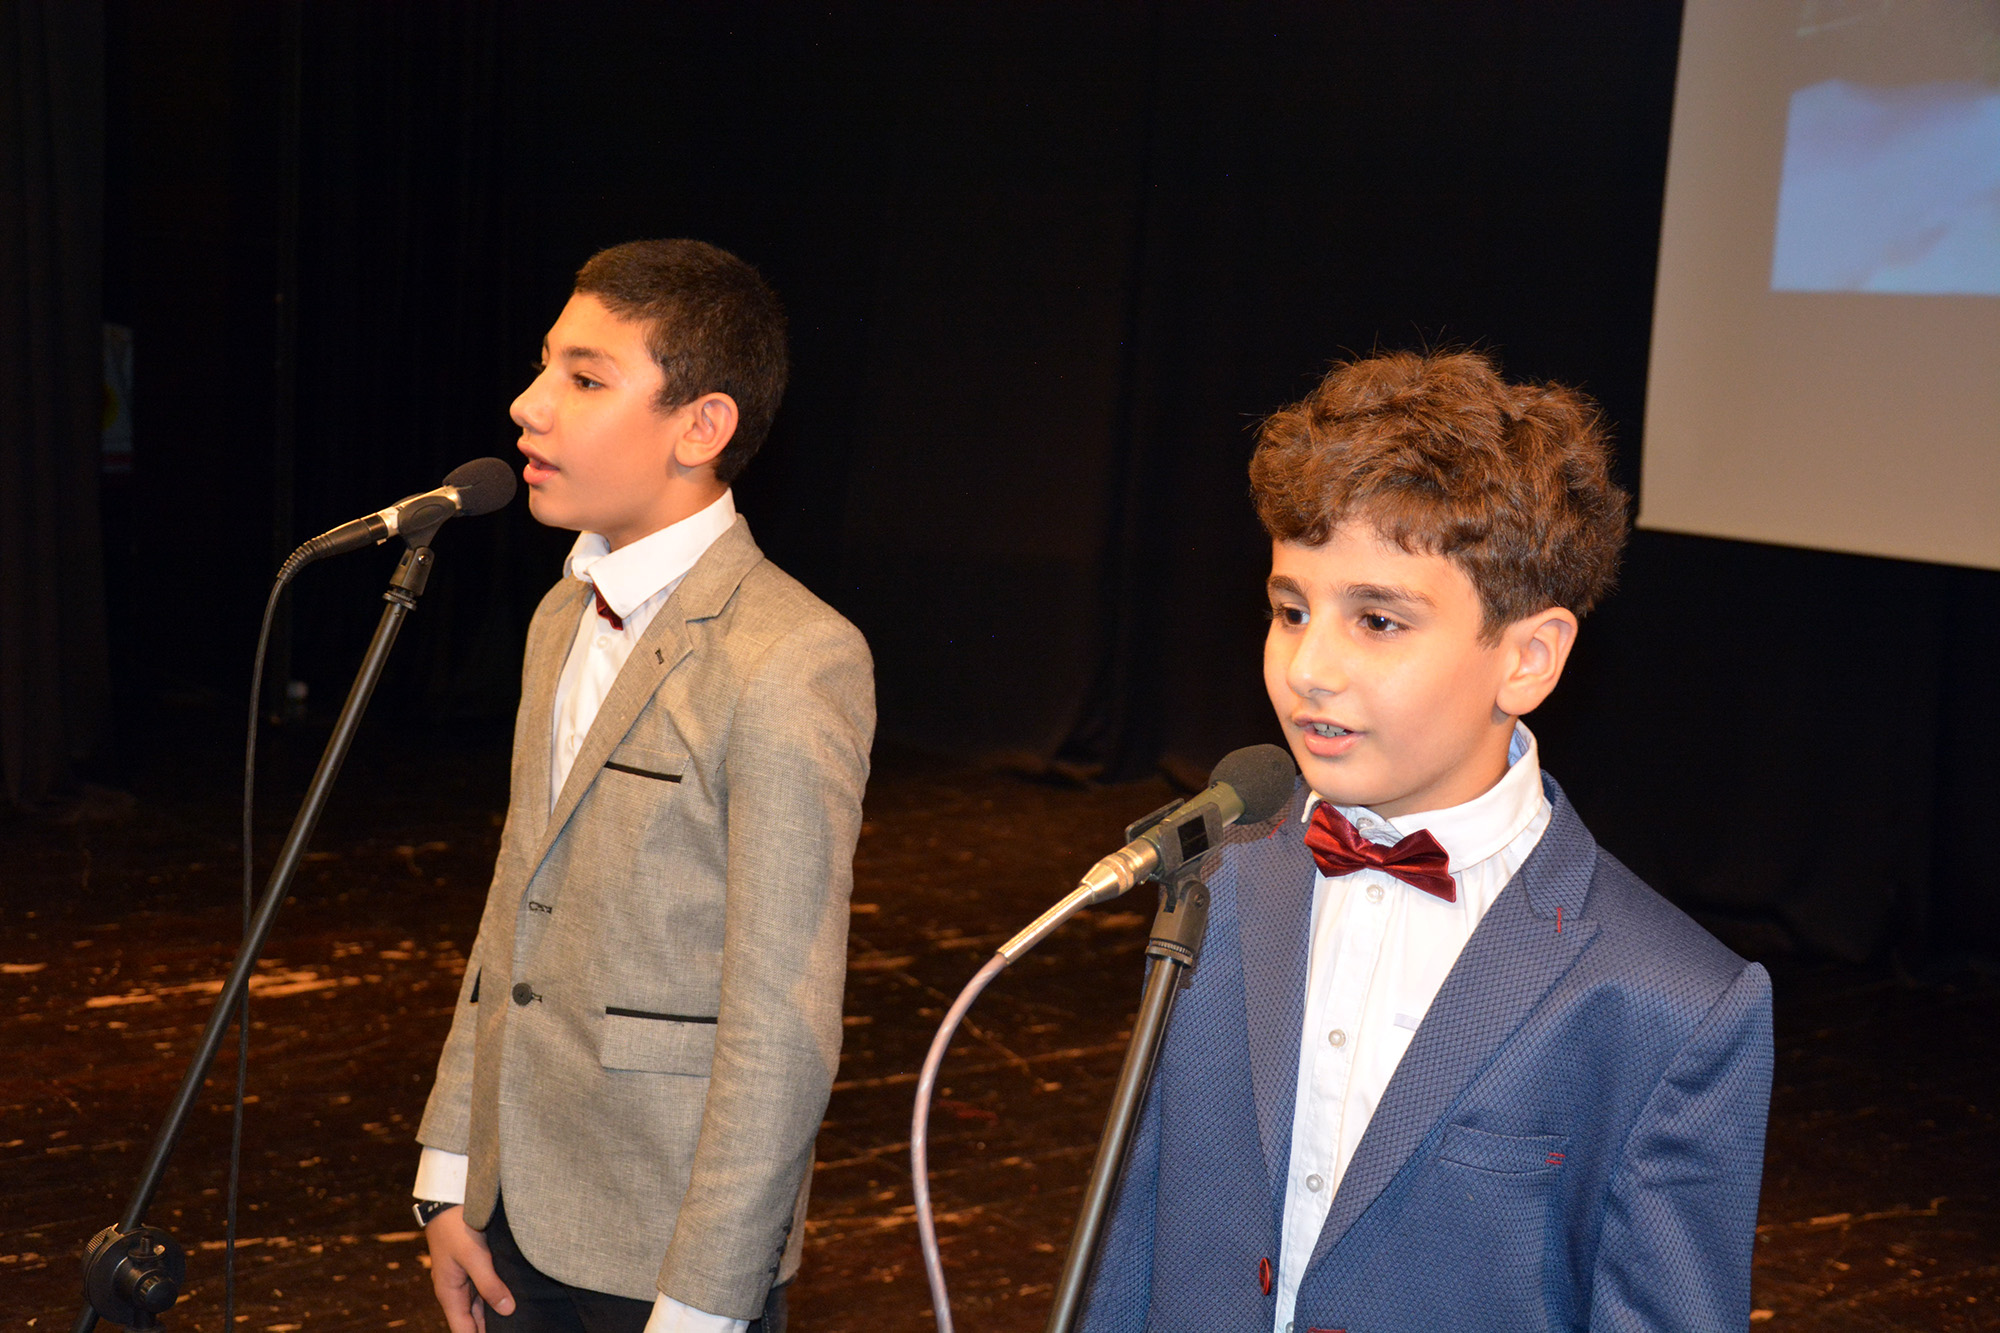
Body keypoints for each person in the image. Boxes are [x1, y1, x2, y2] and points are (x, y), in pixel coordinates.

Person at [1078, 350, 1773, 1332]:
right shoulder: (1218, 879)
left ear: (1527, 658)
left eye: (1376, 619)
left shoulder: (1668, 1002)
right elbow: (1130, 1246)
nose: (1308, 667)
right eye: (1290, 610)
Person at [410, 239, 875, 1333]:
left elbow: (783, 1015)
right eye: (544, 366)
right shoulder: (557, 616)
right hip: (510, 1207)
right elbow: (513, 905)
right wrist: (448, 1170)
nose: (529, 405)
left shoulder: (790, 656)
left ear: (701, 427)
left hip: (662, 1250)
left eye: (584, 379)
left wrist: (707, 1298)